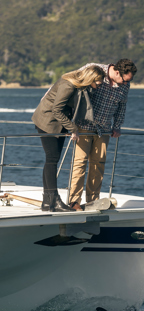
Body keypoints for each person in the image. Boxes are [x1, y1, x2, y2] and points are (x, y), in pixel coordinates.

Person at [32, 65, 106, 212]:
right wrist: (72, 128)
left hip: (59, 124)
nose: (99, 86)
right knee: (52, 159)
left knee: (52, 160)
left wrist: (67, 127)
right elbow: (56, 110)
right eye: (98, 83)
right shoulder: (68, 85)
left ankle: (47, 203)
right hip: (47, 122)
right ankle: (55, 200)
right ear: (91, 78)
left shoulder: (80, 86)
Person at [68, 58, 137, 210]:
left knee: (98, 166)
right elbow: (70, 84)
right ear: (117, 72)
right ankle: (74, 202)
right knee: (79, 164)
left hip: (104, 130)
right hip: (84, 126)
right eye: (124, 80)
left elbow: (121, 106)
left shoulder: (125, 85)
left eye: (128, 81)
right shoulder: (94, 69)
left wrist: (117, 126)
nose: (126, 84)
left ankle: (93, 201)